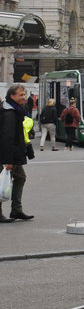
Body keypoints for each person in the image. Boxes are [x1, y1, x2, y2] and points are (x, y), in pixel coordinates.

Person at [0, 84, 35, 221]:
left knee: (20, 177)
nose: (24, 97)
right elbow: (7, 138)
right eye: (21, 95)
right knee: (3, 181)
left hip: (13, 154)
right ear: (12, 96)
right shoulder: (9, 113)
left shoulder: (15, 109)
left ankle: (16, 210)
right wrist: (7, 161)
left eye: (24, 94)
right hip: (7, 155)